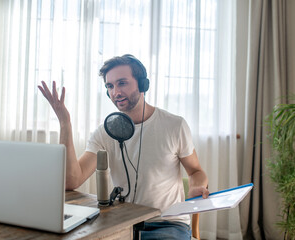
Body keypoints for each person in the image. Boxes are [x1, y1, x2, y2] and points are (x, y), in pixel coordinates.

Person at [38, 54, 209, 239]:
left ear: (143, 84)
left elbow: (196, 171)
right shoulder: (105, 132)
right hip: (123, 221)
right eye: (109, 86)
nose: (115, 92)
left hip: (167, 223)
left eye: (122, 83)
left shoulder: (174, 125)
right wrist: (65, 122)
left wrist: (196, 186)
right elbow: (72, 180)